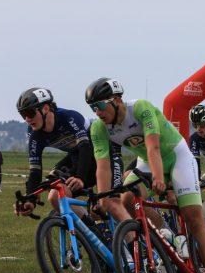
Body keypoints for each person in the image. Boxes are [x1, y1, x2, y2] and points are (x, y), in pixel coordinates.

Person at [85, 77, 205, 273]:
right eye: (93, 108)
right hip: (146, 163)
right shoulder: (98, 128)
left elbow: (153, 147)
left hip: (177, 157)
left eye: (101, 105)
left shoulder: (140, 108)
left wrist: (160, 178)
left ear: (116, 100)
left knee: (193, 219)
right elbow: (102, 166)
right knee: (127, 199)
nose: (98, 112)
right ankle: (166, 234)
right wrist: (103, 198)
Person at [13, 87, 123, 217]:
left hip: (104, 156)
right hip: (77, 158)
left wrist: (80, 177)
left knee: (109, 205)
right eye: (23, 115)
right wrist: (30, 199)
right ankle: (88, 225)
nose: (27, 119)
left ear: (46, 108)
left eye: (30, 113)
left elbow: (85, 148)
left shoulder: (69, 117)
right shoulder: (34, 134)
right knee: (54, 194)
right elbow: (35, 170)